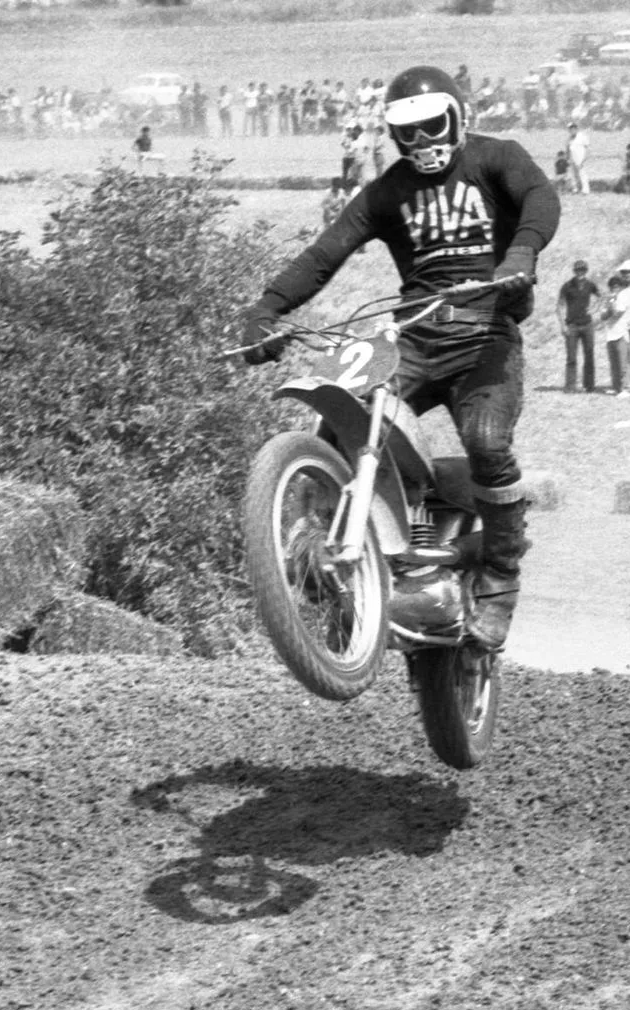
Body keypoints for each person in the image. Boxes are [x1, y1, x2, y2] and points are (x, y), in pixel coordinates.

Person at [238, 65, 559, 651]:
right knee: (343, 419)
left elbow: (541, 197)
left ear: (458, 119)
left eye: (432, 126)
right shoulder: (387, 191)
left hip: (486, 334)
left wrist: (521, 254)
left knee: (486, 441)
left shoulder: (497, 158)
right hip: (413, 335)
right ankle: (333, 548)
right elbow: (323, 255)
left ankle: (499, 578)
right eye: (406, 132)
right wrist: (266, 309)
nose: (421, 141)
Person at [600, 263, 630, 396]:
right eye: (612, 287)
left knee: (629, 360)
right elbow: (603, 316)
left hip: (628, 329)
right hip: (612, 333)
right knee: (616, 362)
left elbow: (618, 312)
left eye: (616, 286)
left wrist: (610, 307)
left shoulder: (628, 293)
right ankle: (618, 387)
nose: (614, 289)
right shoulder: (610, 298)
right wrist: (609, 307)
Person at [556, 260, 598, 393]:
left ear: (586, 271)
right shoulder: (567, 286)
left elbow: (602, 297)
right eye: (578, 270)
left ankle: (589, 386)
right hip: (572, 326)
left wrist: (595, 309)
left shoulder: (590, 285)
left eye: (583, 270)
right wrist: (563, 325)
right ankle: (570, 386)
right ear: (574, 271)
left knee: (589, 355)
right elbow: (559, 306)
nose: (580, 272)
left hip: (587, 325)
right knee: (571, 357)